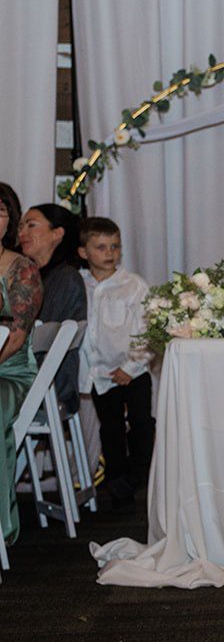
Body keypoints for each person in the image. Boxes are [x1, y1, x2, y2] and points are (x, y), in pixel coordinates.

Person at [78, 218, 153, 509]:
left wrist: (131, 367)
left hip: (133, 371)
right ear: (84, 252)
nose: (109, 253)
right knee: (110, 428)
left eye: (115, 246)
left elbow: (147, 328)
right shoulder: (78, 283)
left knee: (141, 423)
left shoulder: (133, 285)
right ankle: (117, 484)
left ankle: (138, 475)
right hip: (100, 374)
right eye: (100, 247)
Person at [0, 185, 40, 544]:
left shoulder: (22, 269)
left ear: (9, 220)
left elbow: (16, 335)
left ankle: (1, 526)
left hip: (9, 372)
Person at [19, 203, 85, 410]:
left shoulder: (66, 278)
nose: (22, 233)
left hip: (49, 384)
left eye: (31, 225)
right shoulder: (33, 278)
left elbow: (38, 337)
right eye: (20, 227)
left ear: (57, 233)